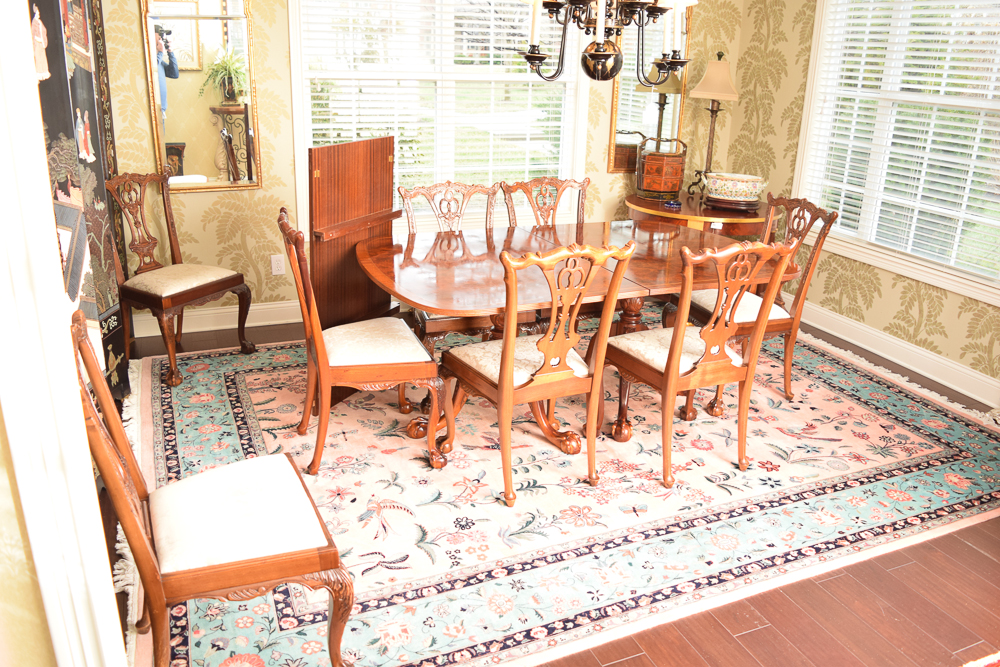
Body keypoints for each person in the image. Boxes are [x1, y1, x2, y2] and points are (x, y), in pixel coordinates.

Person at [155, 25, 179, 125]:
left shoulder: (159, 61)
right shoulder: (152, 60)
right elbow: (152, 68)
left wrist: (170, 52)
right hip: (153, 111)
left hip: (161, 112)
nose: (161, 40)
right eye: (159, 37)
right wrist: (160, 53)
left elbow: (174, 74)